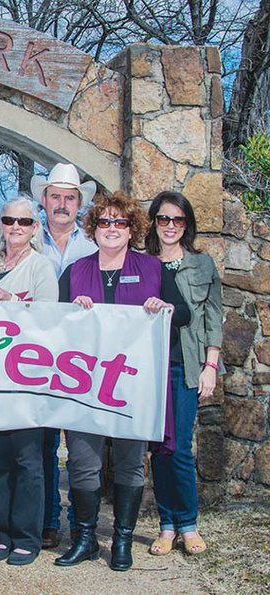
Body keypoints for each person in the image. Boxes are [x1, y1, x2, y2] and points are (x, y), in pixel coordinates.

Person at [54, 191, 190, 572]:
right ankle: (84, 539)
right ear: (93, 229)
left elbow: (184, 315)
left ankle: (122, 541)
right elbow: (52, 329)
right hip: (84, 385)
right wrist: (70, 313)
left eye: (120, 222)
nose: (111, 229)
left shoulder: (152, 269)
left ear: (131, 230)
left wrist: (165, 308)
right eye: (104, 222)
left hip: (133, 386)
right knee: (82, 463)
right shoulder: (75, 272)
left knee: (130, 464)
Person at [0, 196, 58, 566]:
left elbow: (48, 318)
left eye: (24, 222)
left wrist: (12, 300)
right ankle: (3, 532)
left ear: (34, 228)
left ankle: (28, 535)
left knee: (29, 460)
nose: (15, 227)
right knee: (2, 461)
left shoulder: (42, 267)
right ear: (1, 224)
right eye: (9, 220)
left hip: (27, 377)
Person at [145, 191, 223, 557]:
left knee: (180, 450)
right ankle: (166, 526)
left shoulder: (202, 265)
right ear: (154, 222)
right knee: (160, 450)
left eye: (177, 220)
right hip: (149, 369)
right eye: (164, 219)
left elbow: (212, 318)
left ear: (186, 224)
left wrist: (211, 365)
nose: (170, 226)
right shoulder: (143, 264)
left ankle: (188, 524)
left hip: (186, 367)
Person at [30, 162, 97, 549]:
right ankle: (47, 520)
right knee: (42, 445)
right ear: (44, 200)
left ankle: (80, 522)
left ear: (78, 204)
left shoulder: (93, 245)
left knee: (81, 445)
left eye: (69, 198)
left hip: (80, 359)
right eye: (55, 196)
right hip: (37, 359)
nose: (61, 204)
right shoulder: (26, 239)